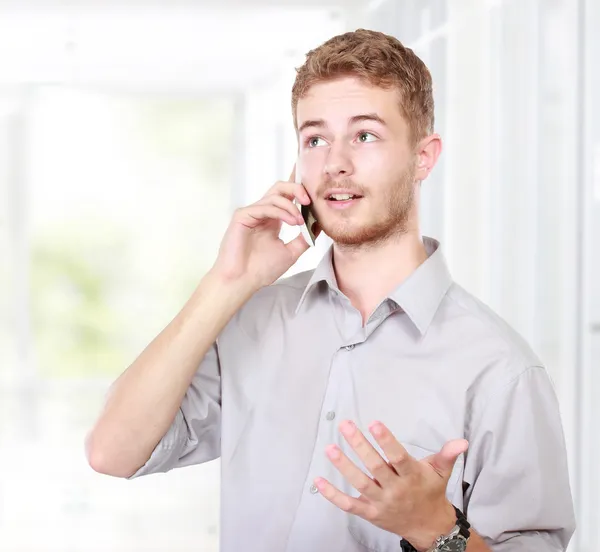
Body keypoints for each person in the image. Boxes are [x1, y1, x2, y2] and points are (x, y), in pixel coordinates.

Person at [85, 29, 575, 552]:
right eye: (315, 139)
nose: (334, 163)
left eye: (364, 136)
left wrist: (438, 528)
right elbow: (112, 453)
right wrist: (228, 282)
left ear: (424, 158)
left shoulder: (500, 369)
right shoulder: (253, 320)